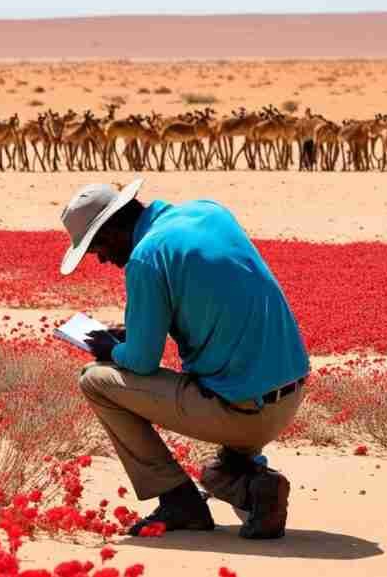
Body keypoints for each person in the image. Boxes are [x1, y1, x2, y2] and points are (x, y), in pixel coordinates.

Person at [58, 178, 310, 540]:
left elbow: (142, 362)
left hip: (246, 411)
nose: (101, 258)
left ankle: (179, 501)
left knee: (95, 380)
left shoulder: (146, 257)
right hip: (290, 393)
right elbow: (205, 298)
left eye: (97, 246)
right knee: (215, 475)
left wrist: (108, 349)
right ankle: (250, 484)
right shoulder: (209, 211)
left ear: (113, 228)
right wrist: (138, 330)